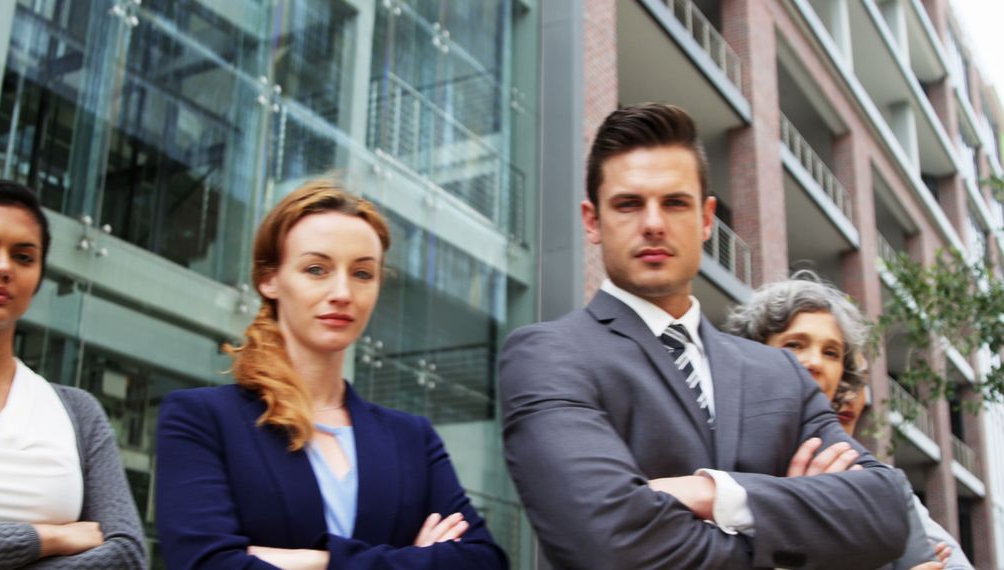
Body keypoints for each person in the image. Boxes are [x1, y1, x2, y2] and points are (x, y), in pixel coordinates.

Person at [498, 103, 911, 569]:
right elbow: (610, 546)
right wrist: (797, 529)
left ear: (707, 218)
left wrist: (713, 492)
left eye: (675, 202)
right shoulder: (547, 356)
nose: (653, 223)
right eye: (629, 204)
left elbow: (886, 511)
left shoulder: (779, 372)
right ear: (592, 221)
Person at [154, 179, 508, 570]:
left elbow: (482, 561)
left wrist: (319, 561)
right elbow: (207, 566)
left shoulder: (412, 440)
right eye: (317, 269)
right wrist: (415, 561)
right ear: (269, 279)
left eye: (362, 274)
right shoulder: (200, 419)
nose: (343, 292)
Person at [0, 180, 147, 568]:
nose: (3, 268)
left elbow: (126, 556)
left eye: (24, 257)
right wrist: (45, 538)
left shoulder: (79, 413)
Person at [725, 272, 973, 570]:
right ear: (753, 354)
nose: (815, 362)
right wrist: (796, 511)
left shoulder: (876, 483)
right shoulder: (718, 460)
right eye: (794, 345)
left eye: (831, 353)